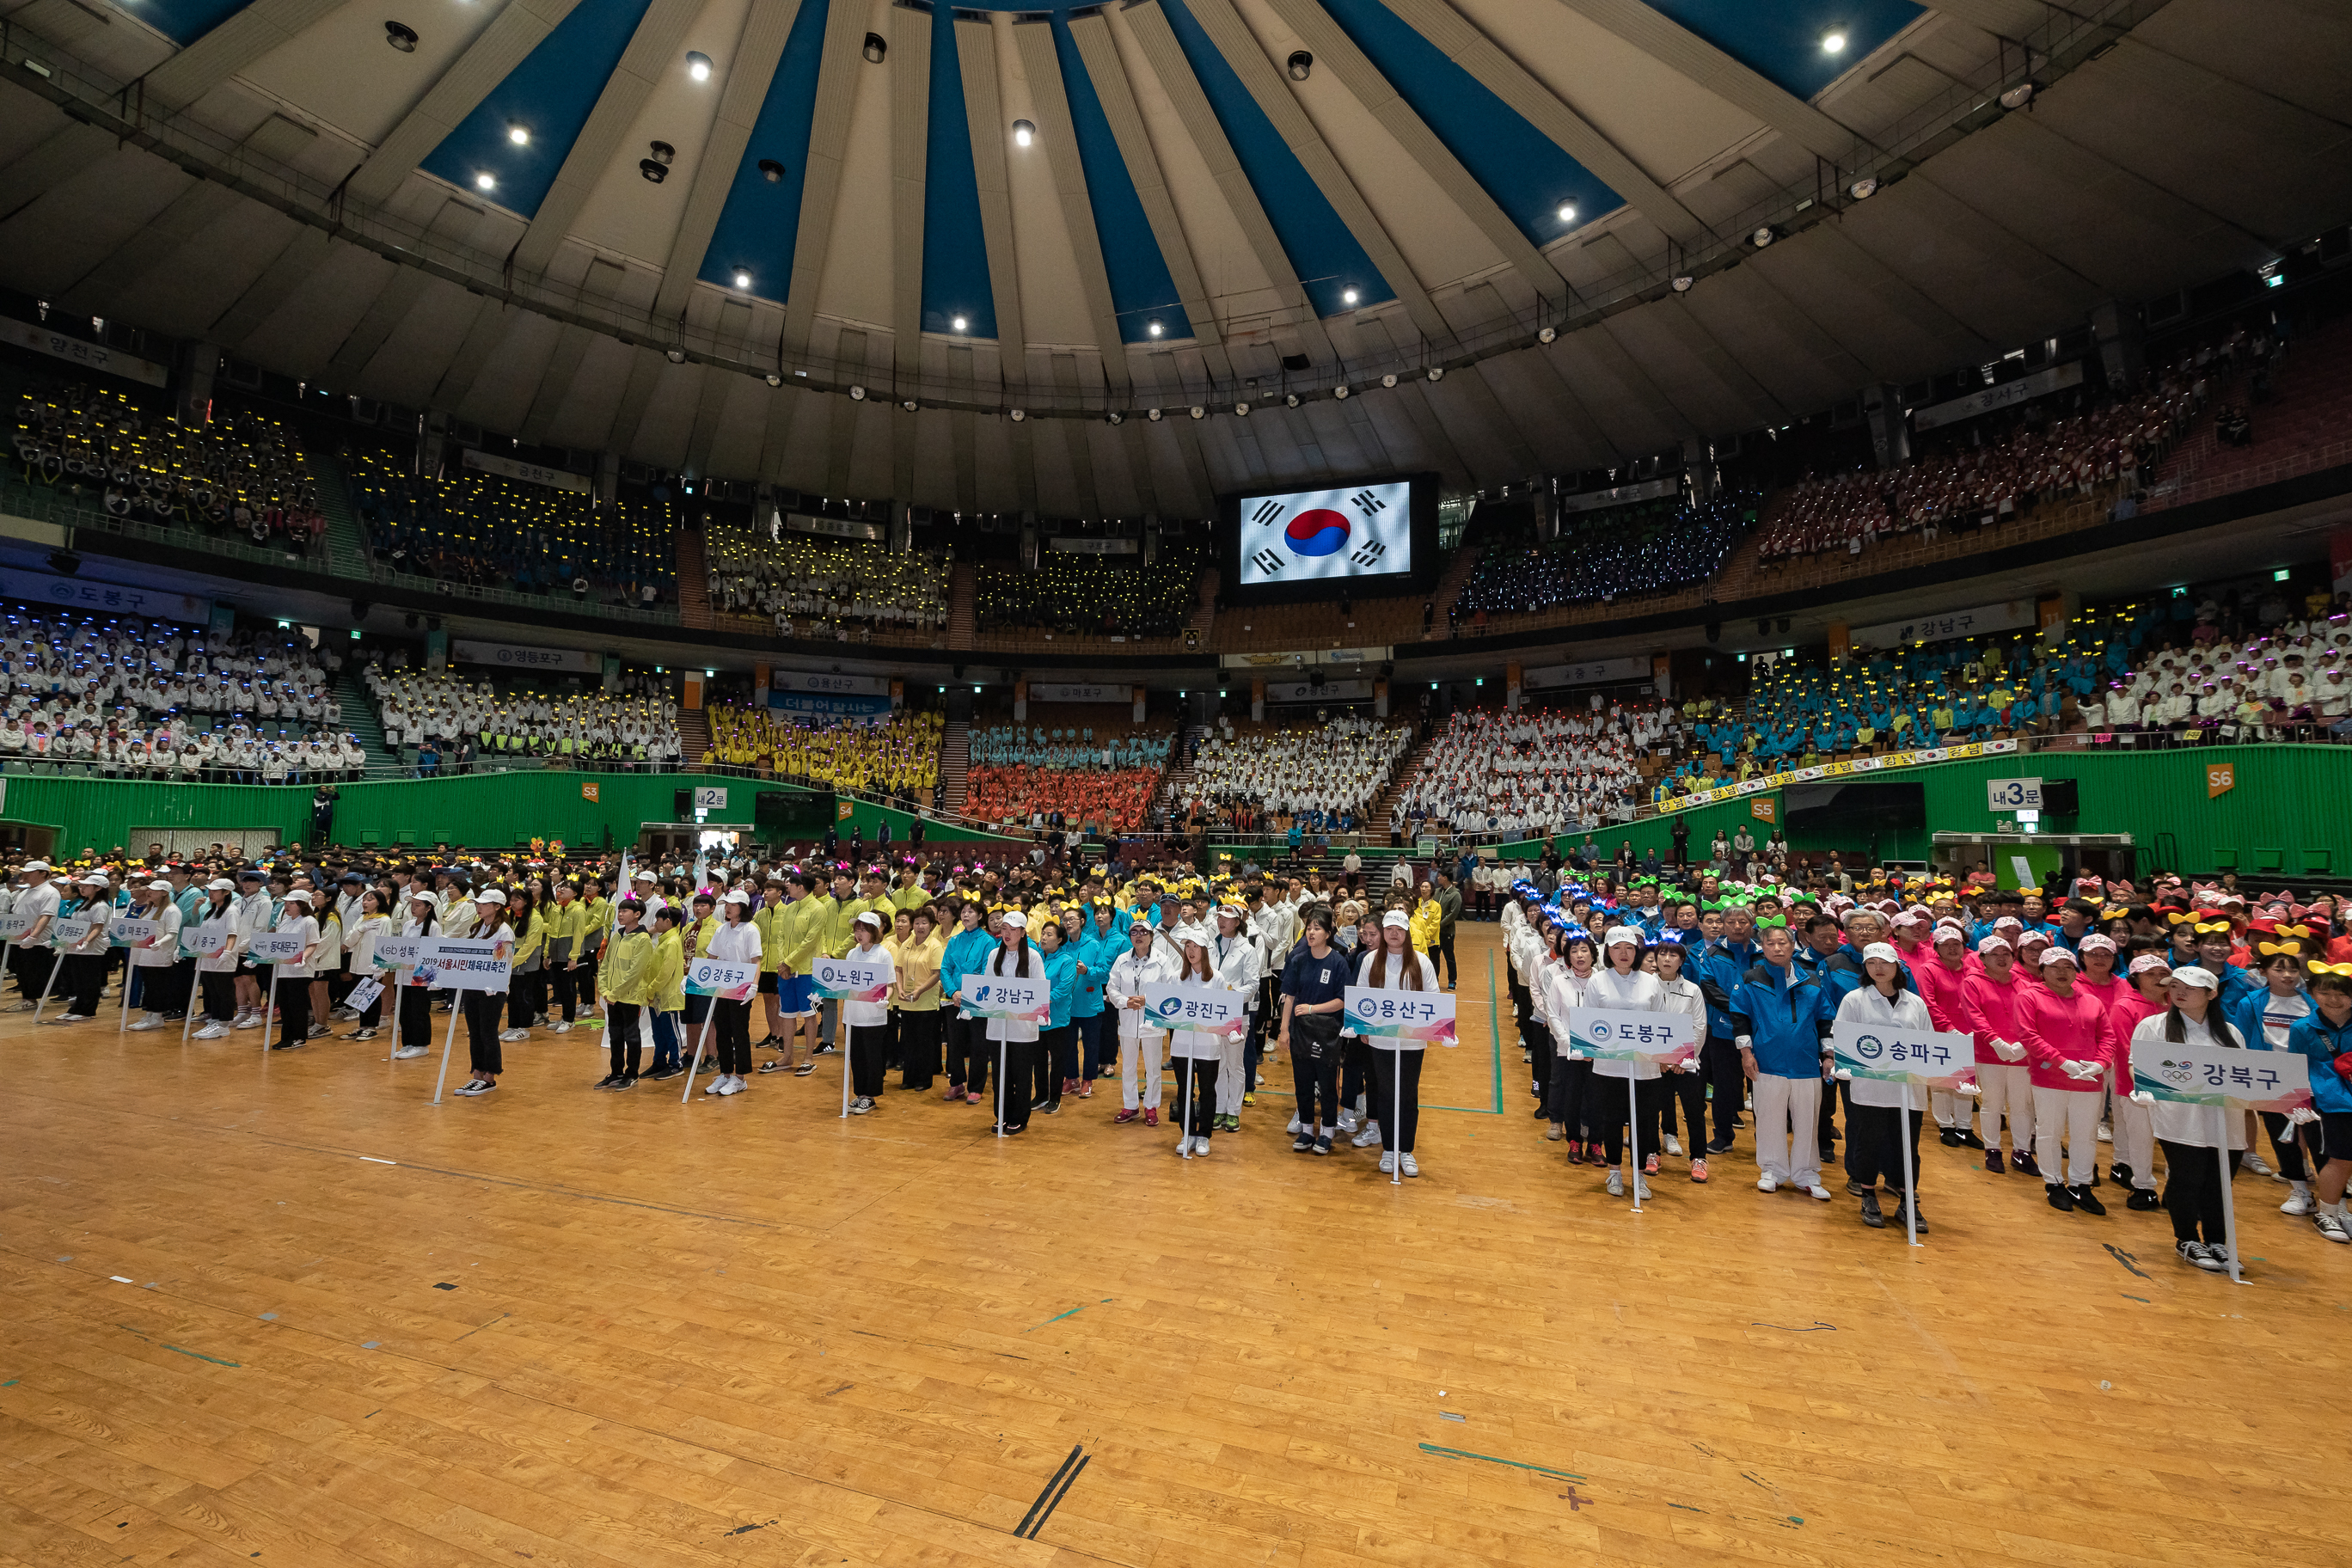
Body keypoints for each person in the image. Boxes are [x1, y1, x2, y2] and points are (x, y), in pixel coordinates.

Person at [2127, 967, 2248, 1271]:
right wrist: (2144, 1088)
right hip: (2179, 1118)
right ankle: (2187, 1239)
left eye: (2190, 988)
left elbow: (2246, 1077)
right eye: (2175, 986)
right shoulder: (2153, 1026)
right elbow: (2137, 1066)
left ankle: (2218, 1241)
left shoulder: (2231, 1033)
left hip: (2225, 1119)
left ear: (2212, 994)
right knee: (2187, 1179)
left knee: (2219, 1182)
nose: (2179, 992)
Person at [1833, 943, 1942, 1231]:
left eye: (1884, 963)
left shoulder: (1915, 1003)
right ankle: (1868, 1196)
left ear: (1897, 966)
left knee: (1907, 1146)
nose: (1878, 968)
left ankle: (1907, 1202)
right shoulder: (1854, 1000)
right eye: (1871, 963)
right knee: (1868, 1143)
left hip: (1908, 1089)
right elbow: (1843, 1038)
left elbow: (1927, 1042)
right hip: (1870, 1088)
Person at [1727, 922, 1834, 1200]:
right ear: (1762, 948)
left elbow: (1825, 1020)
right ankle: (1772, 1171)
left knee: (1808, 1122)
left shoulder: (1812, 980)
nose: (1777, 948)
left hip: (1806, 1063)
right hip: (1767, 1061)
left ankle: (1806, 1174)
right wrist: (1746, 1054)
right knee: (1768, 1118)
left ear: (1793, 945)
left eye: (1782, 943)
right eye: (1770, 943)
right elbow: (1739, 1018)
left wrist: (1828, 1055)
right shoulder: (1750, 979)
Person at [2019, 946, 2116, 1213]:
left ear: (2076, 971)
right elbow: (2028, 1036)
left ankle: (2080, 1184)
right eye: (2054, 967)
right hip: (2049, 1076)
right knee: (2049, 1132)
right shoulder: (2029, 997)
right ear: (2042, 971)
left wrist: (2100, 1063)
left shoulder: (2092, 1001)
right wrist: (2061, 1061)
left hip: (2088, 1078)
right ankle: (2053, 1183)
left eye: (2068, 967)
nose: (2062, 972)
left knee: (2086, 1135)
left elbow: (2107, 1036)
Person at [1357, 909, 1440, 1177]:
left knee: (1408, 1094)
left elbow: (1434, 998)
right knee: (1386, 1093)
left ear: (1407, 933)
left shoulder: (1422, 962)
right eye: (1389, 929)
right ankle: (1389, 1149)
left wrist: (1433, 1030)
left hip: (1412, 1042)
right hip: (1381, 1040)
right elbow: (1362, 995)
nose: (1394, 934)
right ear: (1384, 932)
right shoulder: (1370, 961)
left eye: (1399, 930)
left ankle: (1406, 1150)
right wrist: (1362, 1027)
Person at [1585, 926, 1663, 1201]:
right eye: (1617, 948)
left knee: (1644, 1122)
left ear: (1637, 951)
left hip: (1644, 1067)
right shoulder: (1597, 981)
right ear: (1607, 951)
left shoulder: (1651, 982)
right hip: (1609, 1066)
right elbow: (1589, 1020)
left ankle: (1639, 1174)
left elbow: (1661, 1021)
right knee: (1612, 1120)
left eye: (1629, 948)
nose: (1623, 953)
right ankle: (1615, 1171)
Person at [2282, 964, 2352, 1243]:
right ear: (2312, 993)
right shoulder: (2303, 1028)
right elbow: (2294, 1067)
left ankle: (2340, 1211)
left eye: (2342, 994)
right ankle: (2328, 1214)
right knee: (2339, 1158)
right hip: (2329, 1102)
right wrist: (2296, 1104)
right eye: (2325, 992)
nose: (2334, 999)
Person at [1961, 935, 2041, 1177]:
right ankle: (1993, 1149)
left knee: (2022, 1106)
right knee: (1992, 1103)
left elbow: (2034, 1017)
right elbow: (1974, 1015)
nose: (2001, 958)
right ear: (1983, 959)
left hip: (2021, 1054)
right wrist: (1995, 1041)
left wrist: (2023, 1045)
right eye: (1994, 954)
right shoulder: (1973, 982)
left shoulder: (2025, 984)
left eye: (2006, 953)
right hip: (1988, 1053)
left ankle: (2022, 1152)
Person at [1278, 907, 1349, 1155]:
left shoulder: (1338, 962)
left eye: (1317, 929)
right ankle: (1307, 1129)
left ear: (1328, 933)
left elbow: (1342, 1000)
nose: (1311, 932)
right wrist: (1284, 1030)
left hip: (1328, 1033)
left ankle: (1327, 1131)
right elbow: (1289, 996)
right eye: (1308, 928)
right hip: (1301, 1032)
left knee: (1328, 1086)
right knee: (1303, 1083)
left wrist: (1312, 1009)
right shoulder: (1298, 960)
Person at [1106, 916, 1173, 1125]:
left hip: (1152, 1020)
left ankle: (1151, 1107)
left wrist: (1146, 1000)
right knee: (1128, 1066)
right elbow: (1111, 988)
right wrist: (1125, 1001)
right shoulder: (1122, 960)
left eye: (1143, 932)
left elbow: (1170, 990)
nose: (1138, 936)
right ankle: (1130, 1106)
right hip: (1127, 1019)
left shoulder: (1162, 960)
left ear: (1151, 937)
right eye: (1134, 932)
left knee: (1153, 1068)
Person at [984, 911, 1044, 1136]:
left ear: (1023, 932)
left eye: (1013, 929)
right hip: (998, 1025)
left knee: (1021, 1074)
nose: (1007, 933)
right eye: (1004, 929)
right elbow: (988, 986)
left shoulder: (1033, 957)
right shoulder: (994, 955)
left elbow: (1039, 989)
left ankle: (1020, 1117)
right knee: (1000, 1074)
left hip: (1023, 1028)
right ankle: (1002, 1115)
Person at [1168, 928, 1225, 1157]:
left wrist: (1231, 1031)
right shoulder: (1176, 978)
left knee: (1207, 1091)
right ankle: (1188, 1133)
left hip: (1208, 1045)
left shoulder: (1217, 978)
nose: (1191, 951)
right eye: (1187, 947)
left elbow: (1223, 1011)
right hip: (1182, 1044)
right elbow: (1167, 1008)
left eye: (1195, 947)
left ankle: (1204, 1135)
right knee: (1184, 1090)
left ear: (1204, 950)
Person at [454, 889, 516, 1096]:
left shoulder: (504, 931)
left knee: (488, 1033)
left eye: (484, 904)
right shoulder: (478, 927)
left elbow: (502, 963)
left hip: (492, 990)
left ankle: (490, 1077)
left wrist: (492, 983)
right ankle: (477, 1074)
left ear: (497, 907)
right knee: (474, 1032)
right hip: (473, 985)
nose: (478, 907)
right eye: (477, 904)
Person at [1209, 904, 1262, 1132]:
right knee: (1218, 1063)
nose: (1221, 921)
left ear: (1238, 922)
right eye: (1219, 917)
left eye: (1227, 918)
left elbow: (1252, 984)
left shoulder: (1247, 949)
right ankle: (1220, 1108)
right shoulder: (1210, 945)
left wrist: (1230, 997)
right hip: (1212, 1013)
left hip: (1235, 1013)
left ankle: (1233, 1111)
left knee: (1235, 1064)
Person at [939, 900, 995, 1103]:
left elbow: (986, 970)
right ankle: (956, 1083)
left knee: (979, 1045)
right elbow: (945, 968)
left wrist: (968, 993)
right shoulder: (954, 940)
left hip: (977, 1001)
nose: (966, 915)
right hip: (953, 1000)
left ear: (980, 916)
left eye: (971, 911)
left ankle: (976, 1087)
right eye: (963, 911)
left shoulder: (988, 941)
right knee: (954, 1043)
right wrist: (953, 992)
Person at [596, 897, 654, 1090]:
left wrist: (614, 993)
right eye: (619, 911)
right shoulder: (617, 935)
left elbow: (635, 973)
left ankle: (632, 1073)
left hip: (630, 997)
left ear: (637, 914)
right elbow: (605, 965)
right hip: (612, 996)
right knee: (615, 1035)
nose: (620, 914)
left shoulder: (643, 939)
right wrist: (604, 990)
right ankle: (616, 1072)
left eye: (625, 911)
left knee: (631, 1036)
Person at [843, 910, 894, 1115]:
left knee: (872, 1056)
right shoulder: (852, 954)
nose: (859, 934)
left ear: (874, 931)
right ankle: (860, 1093)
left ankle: (870, 1096)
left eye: (864, 930)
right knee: (856, 1056)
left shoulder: (883, 954)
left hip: (873, 1017)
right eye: (857, 929)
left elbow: (890, 984)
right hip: (852, 1014)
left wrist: (885, 999)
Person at [123, 879, 186, 1031]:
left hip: (160, 955)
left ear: (164, 893)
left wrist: (160, 942)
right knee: (150, 986)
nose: (149, 892)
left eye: (154, 890)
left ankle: (157, 1017)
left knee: (158, 986)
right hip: (145, 953)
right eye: (149, 889)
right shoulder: (150, 909)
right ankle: (149, 1015)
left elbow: (173, 932)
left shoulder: (171, 910)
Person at [894, 907, 945, 1092]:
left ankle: (924, 1079)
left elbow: (937, 973)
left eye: (924, 923)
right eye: (917, 923)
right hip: (907, 1001)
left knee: (924, 1043)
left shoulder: (935, 946)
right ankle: (909, 1078)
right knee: (908, 1042)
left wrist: (920, 991)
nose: (920, 926)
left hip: (926, 1002)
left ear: (932, 925)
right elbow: (898, 968)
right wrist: (900, 988)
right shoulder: (907, 943)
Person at [339, 889, 391, 1040]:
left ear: (379, 902)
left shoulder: (384, 920)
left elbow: (385, 943)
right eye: (364, 900)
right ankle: (362, 1026)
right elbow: (349, 941)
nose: (365, 902)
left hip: (373, 965)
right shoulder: (362, 919)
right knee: (361, 996)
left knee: (372, 996)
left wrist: (380, 966)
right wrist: (362, 929)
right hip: (357, 964)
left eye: (370, 899)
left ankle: (372, 1027)